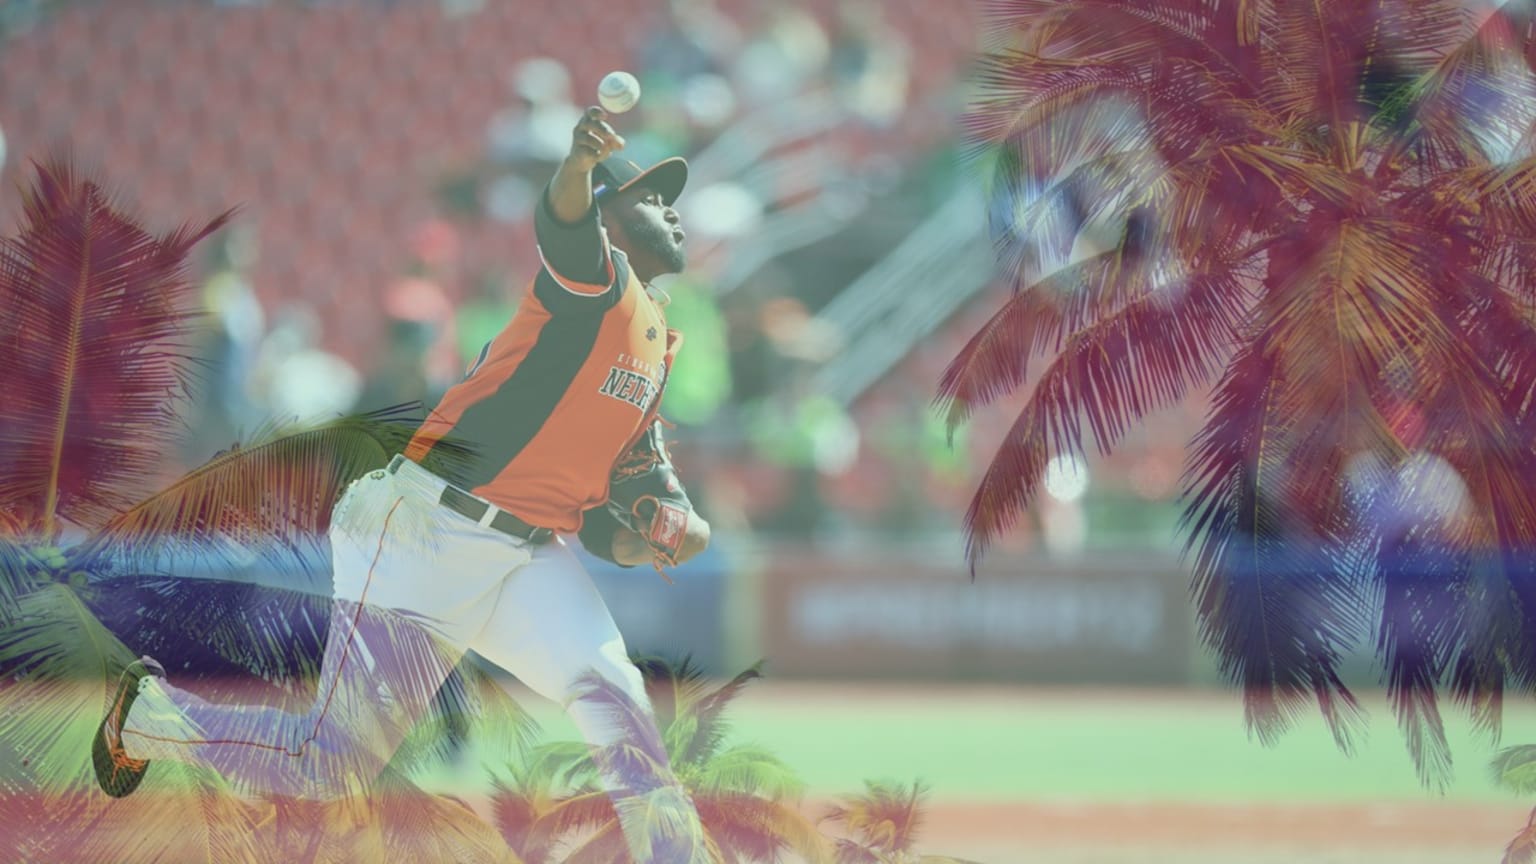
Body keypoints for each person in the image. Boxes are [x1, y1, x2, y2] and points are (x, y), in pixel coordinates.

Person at [92, 106, 713, 863]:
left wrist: (665, 522)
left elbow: (612, 517)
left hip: (527, 553)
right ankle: (151, 715)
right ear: (613, 218)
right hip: (428, 533)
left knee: (619, 703)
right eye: (652, 196)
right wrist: (578, 165)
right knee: (331, 764)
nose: (672, 210)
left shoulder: (654, 341)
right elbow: (563, 222)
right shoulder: (597, 280)